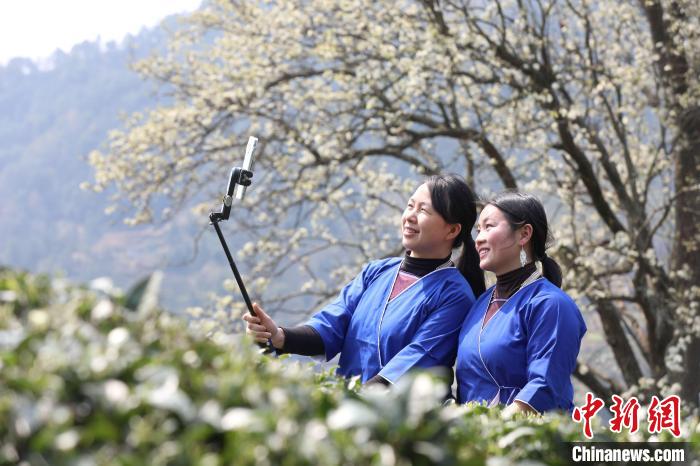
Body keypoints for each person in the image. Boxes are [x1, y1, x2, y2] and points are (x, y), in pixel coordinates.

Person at [244, 174, 485, 385]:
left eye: (423, 210)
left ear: (452, 230)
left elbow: (414, 362)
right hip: (352, 406)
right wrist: (279, 336)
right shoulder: (376, 272)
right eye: (410, 206)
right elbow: (331, 326)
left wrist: (353, 403)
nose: (410, 216)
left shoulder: (454, 295)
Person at [455, 192, 586, 414]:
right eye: (478, 230)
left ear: (524, 234)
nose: (479, 239)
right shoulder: (481, 303)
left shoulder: (551, 305)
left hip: (522, 432)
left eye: (489, 227)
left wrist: (499, 427)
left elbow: (544, 387)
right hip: (473, 431)